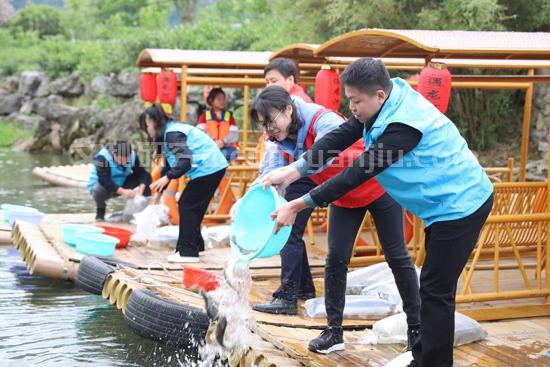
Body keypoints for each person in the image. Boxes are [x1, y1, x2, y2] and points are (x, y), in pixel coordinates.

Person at [260, 58, 494, 367]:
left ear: (378, 95)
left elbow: (358, 171)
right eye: (349, 99)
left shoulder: (402, 128)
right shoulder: (383, 99)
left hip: (462, 204)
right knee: (433, 289)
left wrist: (300, 202)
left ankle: (432, 361)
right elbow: (340, 137)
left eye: (356, 101)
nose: (351, 107)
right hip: (440, 206)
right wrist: (293, 170)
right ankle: (422, 357)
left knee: (436, 291)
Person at [250, 86, 420, 355]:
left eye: (271, 121)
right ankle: (334, 332)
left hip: (378, 186)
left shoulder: (323, 119)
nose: (269, 130)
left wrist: (294, 174)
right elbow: (271, 171)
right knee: (335, 260)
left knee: (397, 257)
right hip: (342, 196)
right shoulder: (278, 141)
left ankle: (416, 329)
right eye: (264, 126)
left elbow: (326, 151)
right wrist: (247, 199)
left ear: (289, 110)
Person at [141, 103, 228, 263]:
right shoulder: (170, 132)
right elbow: (169, 166)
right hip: (212, 167)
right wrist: (159, 192)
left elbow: (184, 162)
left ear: (155, 122)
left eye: (147, 125)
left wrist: (167, 178)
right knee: (193, 206)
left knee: (187, 205)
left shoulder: (173, 133)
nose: (148, 130)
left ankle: (188, 253)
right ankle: (196, 246)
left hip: (209, 167)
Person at [87, 141, 151, 221]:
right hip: (102, 186)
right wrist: (124, 192)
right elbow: (104, 180)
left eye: (127, 159)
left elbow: (142, 173)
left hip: (121, 181)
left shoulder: (132, 155)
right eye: (121, 159)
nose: (124, 163)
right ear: (114, 154)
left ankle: (138, 213)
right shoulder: (103, 157)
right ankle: (100, 212)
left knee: (147, 178)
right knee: (98, 190)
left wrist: (140, 191)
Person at [197, 88, 239, 162]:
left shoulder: (229, 117)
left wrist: (224, 142)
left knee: (228, 154)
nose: (222, 101)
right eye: (219, 99)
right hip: (209, 148)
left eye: (223, 99)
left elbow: (234, 134)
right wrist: (213, 141)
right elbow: (199, 133)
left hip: (227, 149)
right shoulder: (204, 116)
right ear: (211, 101)